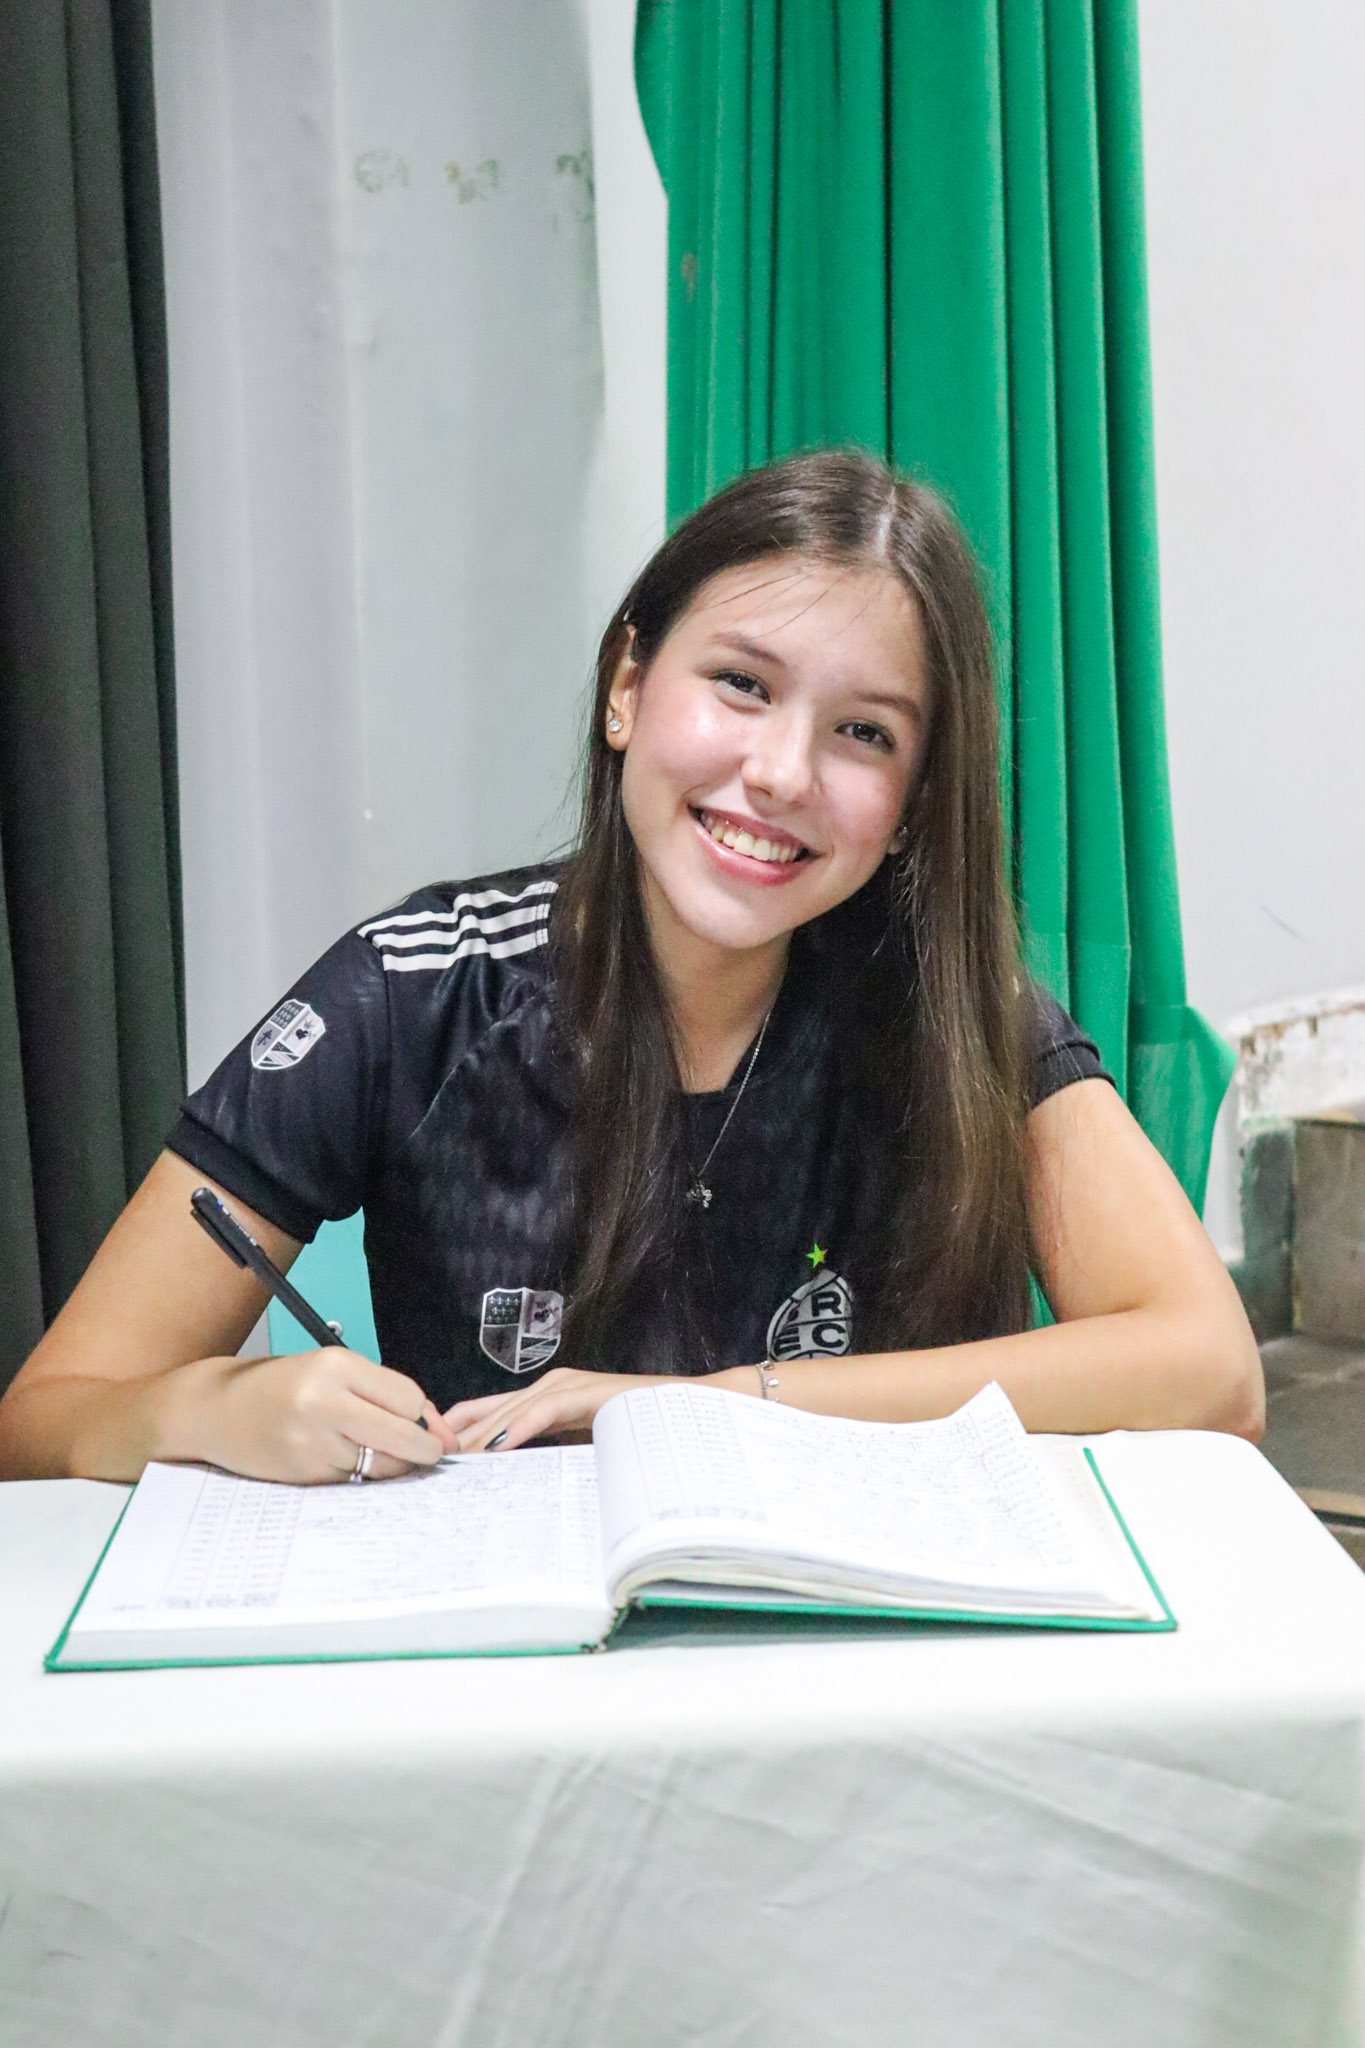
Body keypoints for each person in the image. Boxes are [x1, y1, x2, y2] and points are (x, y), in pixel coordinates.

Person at [0, 451, 1263, 1487]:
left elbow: (1211, 1368)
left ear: (914, 803)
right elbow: (43, 1418)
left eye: (863, 733)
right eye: (741, 683)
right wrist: (215, 1406)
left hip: (864, 1674)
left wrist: (714, 1405)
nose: (781, 772)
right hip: (514, 1681)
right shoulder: (414, 991)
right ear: (626, 688)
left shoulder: (951, 1006)